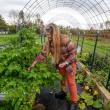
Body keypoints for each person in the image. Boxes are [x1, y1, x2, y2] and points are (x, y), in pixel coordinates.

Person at [28, 23, 78, 110]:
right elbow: (43, 55)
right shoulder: (48, 43)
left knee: (71, 82)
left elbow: (73, 54)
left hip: (70, 64)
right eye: (46, 35)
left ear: (54, 33)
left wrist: (66, 62)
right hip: (60, 64)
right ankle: (63, 93)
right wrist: (34, 63)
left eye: (49, 35)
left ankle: (74, 102)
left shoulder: (66, 40)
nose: (48, 37)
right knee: (62, 79)